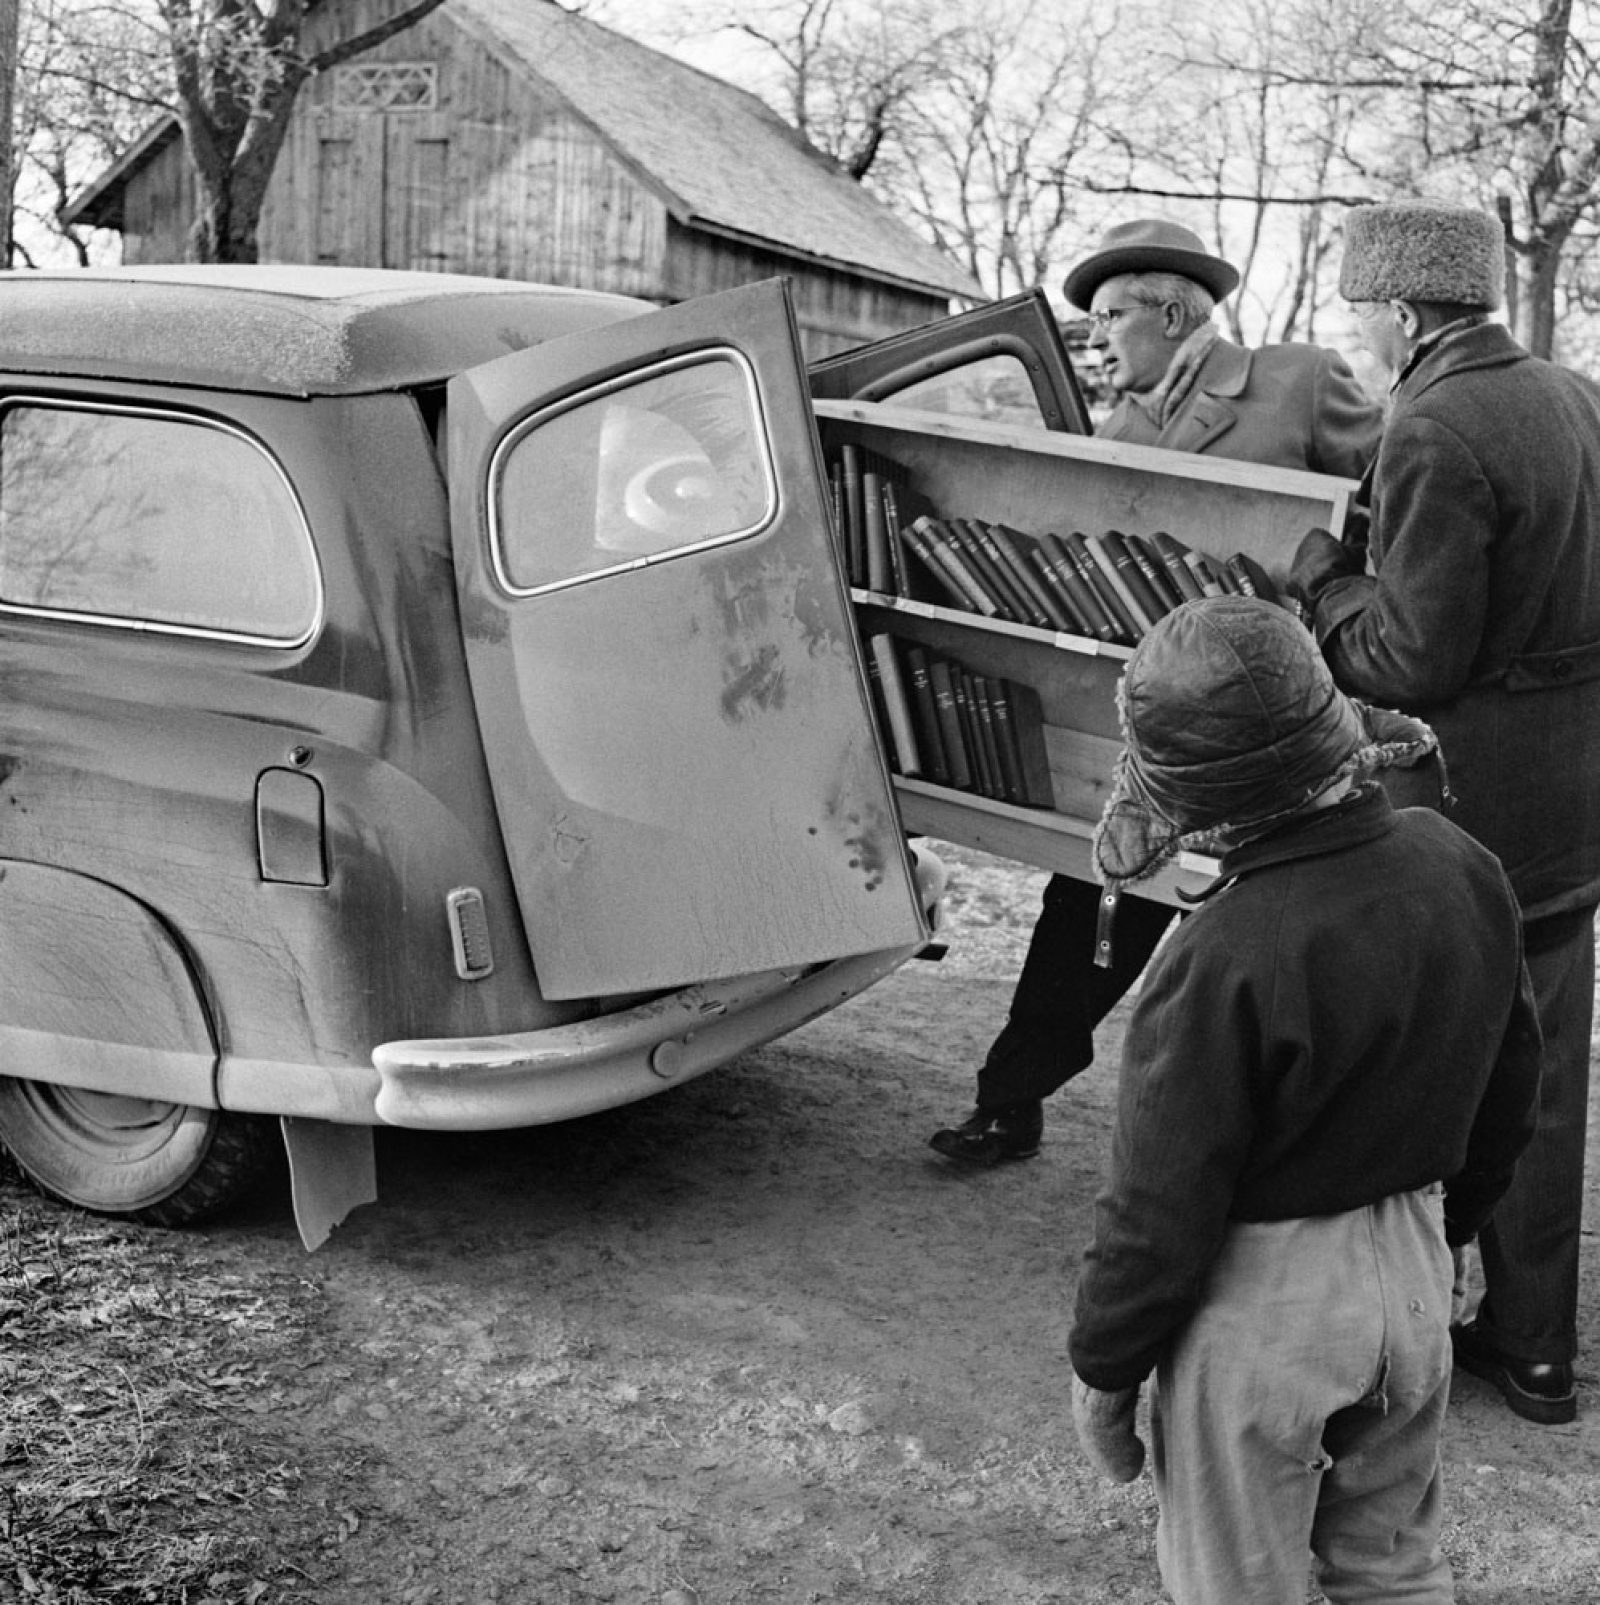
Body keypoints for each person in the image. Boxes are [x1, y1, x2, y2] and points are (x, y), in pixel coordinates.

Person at [1069, 595, 1541, 1605]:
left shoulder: (1219, 952)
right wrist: (1452, 1231)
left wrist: (1104, 1367)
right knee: (1394, 1568)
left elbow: (1158, 1205)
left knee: (1237, 1585)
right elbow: (1511, 1094)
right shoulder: (1460, 864)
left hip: (1267, 1312)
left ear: (1197, 802)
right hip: (1412, 1272)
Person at [931, 218, 1385, 1165]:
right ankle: (1011, 1099)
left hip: (1286, 736)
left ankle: (1291, 1155)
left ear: (1172, 314)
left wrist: (1342, 594)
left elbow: (1400, 497)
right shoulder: (1118, 432)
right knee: (1086, 901)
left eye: (1109, 318)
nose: (1095, 340)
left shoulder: (1298, 380)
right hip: (1161, 735)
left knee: (1273, 939)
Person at [1290, 200, 1600, 1426]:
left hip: (1461, 807)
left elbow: (1410, 658)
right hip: (1573, 794)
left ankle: (1376, 1342)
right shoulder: (1575, 396)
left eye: (1362, 319)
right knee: (1545, 1076)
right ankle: (1535, 1350)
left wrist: (1323, 586)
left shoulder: (1429, 428)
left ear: (1404, 314)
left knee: (1407, 1066)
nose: (1358, 341)